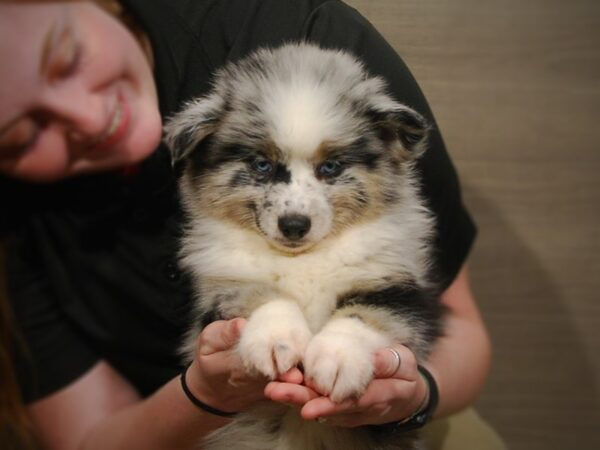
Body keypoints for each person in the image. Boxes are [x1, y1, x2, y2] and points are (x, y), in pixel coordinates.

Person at [0, 1, 505, 449]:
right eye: (22, 136)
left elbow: (458, 333)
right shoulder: (18, 222)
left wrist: (412, 395)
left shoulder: (305, 34)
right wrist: (206, 393)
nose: (88, 119)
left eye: (66, 56)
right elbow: (88, 438)